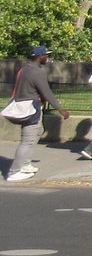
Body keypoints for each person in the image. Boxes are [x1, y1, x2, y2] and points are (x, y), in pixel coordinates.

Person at [5, 46, 70, 182]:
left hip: (22, 106)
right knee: (27, 141)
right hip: (30, 108)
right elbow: (47, 92)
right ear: (40, 56)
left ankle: (25, 164)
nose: (47, 58)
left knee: (39, 131)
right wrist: (61, 109)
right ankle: (15, 171)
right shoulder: (37, 72)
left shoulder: (25, 69)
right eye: (46, 55)